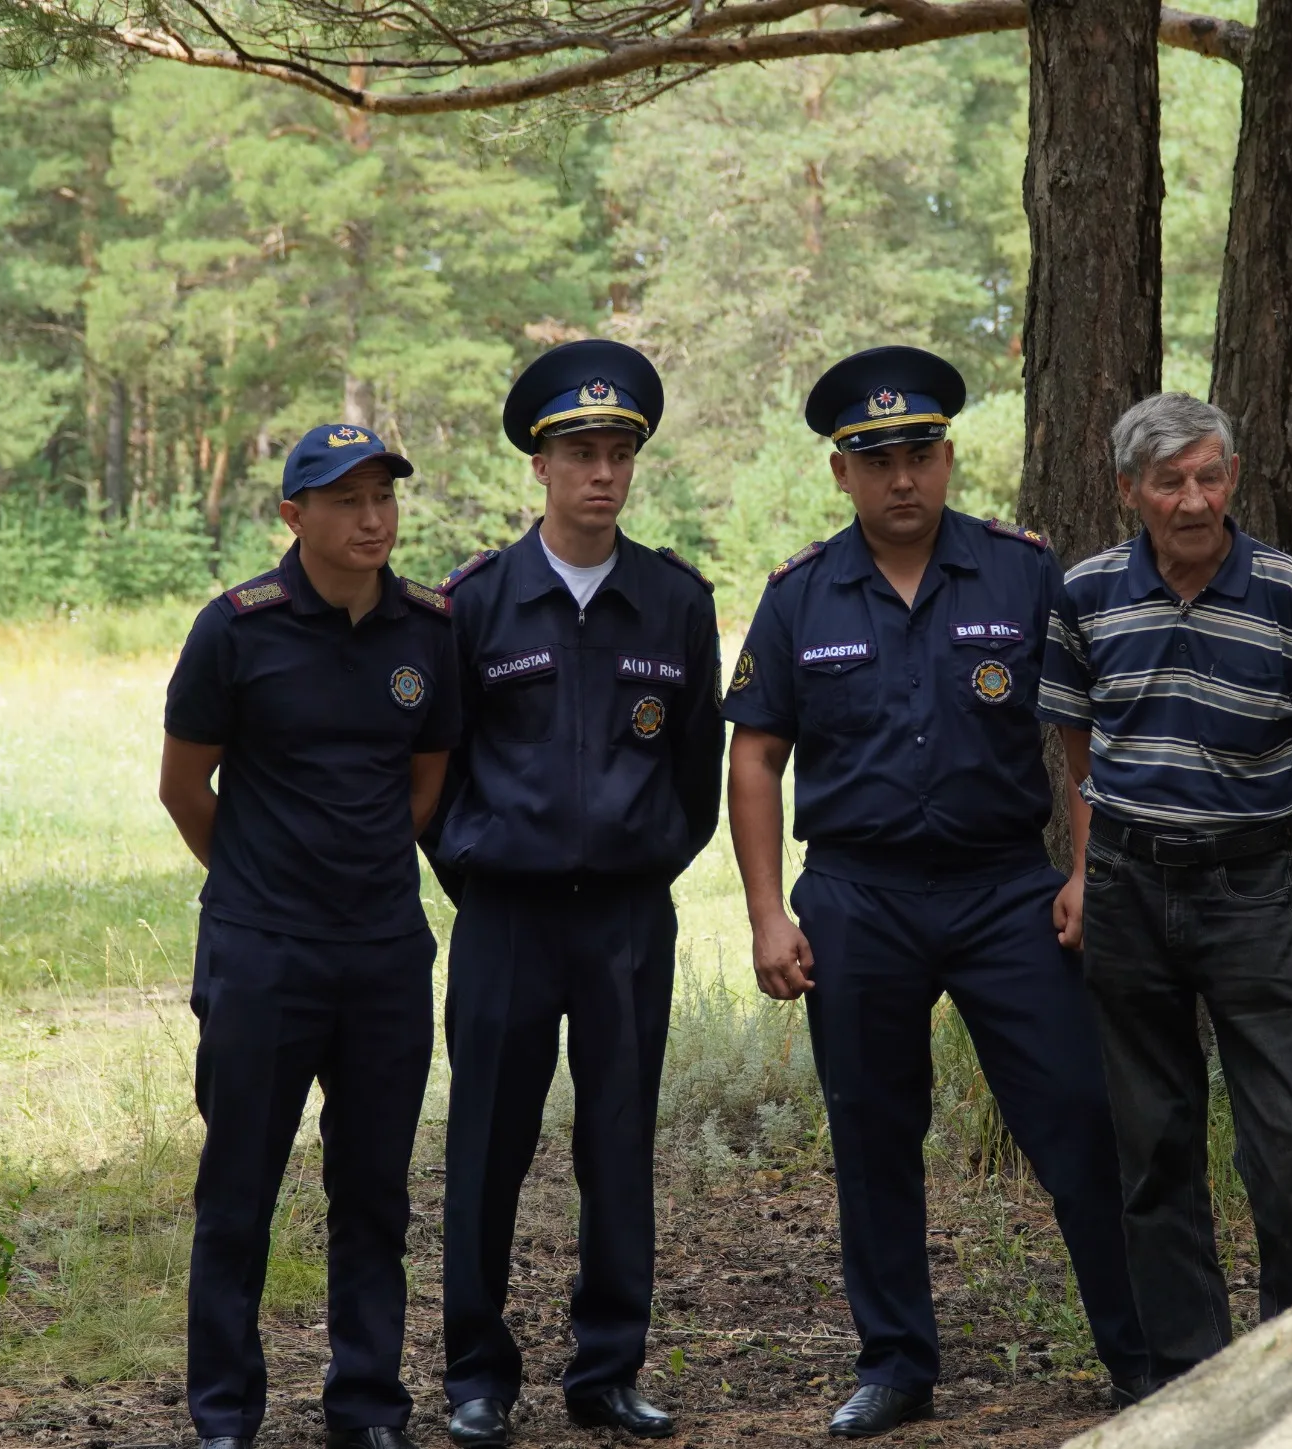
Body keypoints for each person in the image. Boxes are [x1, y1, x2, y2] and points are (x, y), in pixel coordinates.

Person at [724, 346, 1150, 1438]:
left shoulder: (1020, 574)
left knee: (1072, 1117)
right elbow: (757, 757)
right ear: (841, 475)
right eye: (875, 461)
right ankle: (898, 1363)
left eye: (918, 454)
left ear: (948, 459)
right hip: (857, 896)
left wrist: (1083, 874)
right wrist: (769, 912)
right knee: (871, 1130)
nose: (900, 478)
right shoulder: (798, 593)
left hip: (1005, 890)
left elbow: (1079, 735)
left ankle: (1136, 1354)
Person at [430, 339, 723, 1448]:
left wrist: (641, 858)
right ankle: (476, 1375)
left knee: (617, 1141)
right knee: (487, 1146)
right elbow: (438, 771)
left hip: (625, 922)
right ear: (540, 469)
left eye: (617, 453)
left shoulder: (675, 602)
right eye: (579, 454)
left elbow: (696, 771)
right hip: (504, 915)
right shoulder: (474, 603)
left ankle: (607, 1369)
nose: (600, 473)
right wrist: (479, 866)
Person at [1038, 392, 1292, 1391]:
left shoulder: (1289, 592)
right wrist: (1088, 867)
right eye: (1168, 481)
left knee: (1291, 1131)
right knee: (1154, 1139)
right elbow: (1077, 748)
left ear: (1234, 478)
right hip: (1126, 888)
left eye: (1209, 475)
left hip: (1248, 889)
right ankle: (1188, 1372)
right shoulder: (1086, 593)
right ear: (1129, 489)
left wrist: (1263, 865)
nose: (1191, 498)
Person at [158, 424, 458, 1449]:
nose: (372, 519)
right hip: (261, 954)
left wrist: (356, 875)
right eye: (347, 502)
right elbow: (182, 784)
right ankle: (224, 1415)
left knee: (373, 1192)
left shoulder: (428, 629)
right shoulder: (235, 631)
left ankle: (368, 1406)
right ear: (295, 517)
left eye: (383, 498)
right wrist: (258, 882)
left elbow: (425, 781)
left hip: (381, 951)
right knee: (237, 1189)